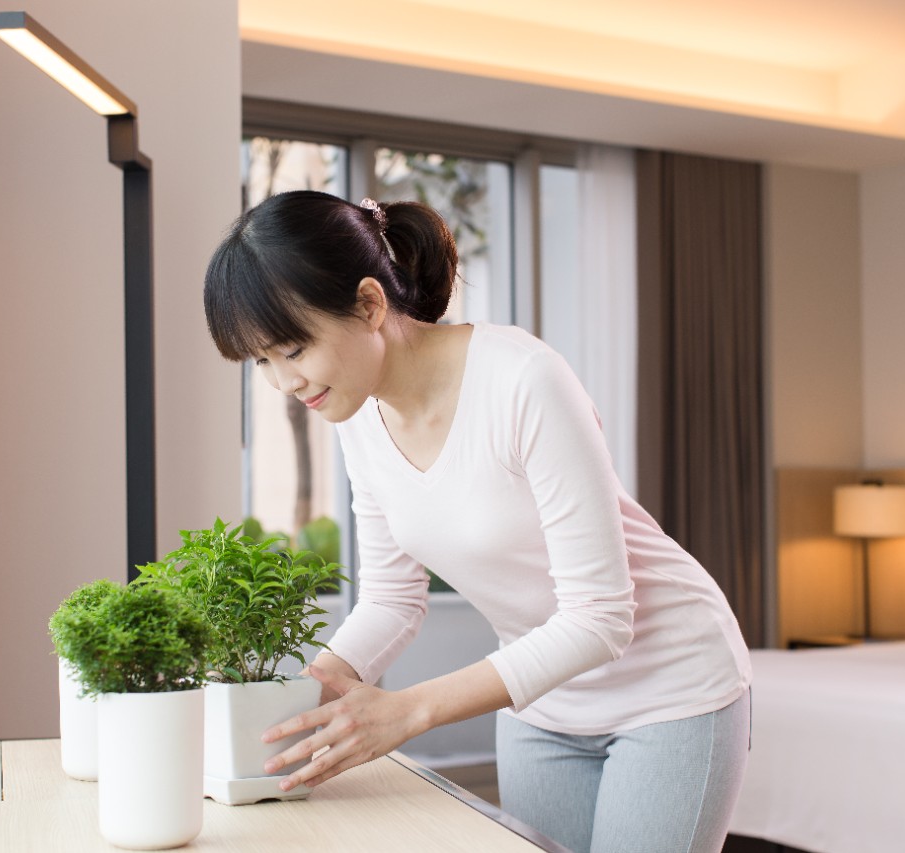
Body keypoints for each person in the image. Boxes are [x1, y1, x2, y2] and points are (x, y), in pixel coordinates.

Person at [202, 189, 752, 853]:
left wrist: (408, 710)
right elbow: (391, 599)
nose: (284, 382)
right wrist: (303, 701)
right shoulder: (355, 414)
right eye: (261, 360)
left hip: (670, 686)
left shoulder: (524, 380)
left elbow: (600, 616)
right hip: (542, 702)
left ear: (370, 304)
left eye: (292, 348)